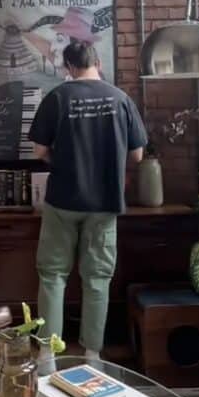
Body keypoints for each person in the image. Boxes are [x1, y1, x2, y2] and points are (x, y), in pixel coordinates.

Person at [28, 40, 147, 363]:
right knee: (97, 278)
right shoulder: (121, 99)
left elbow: (39, 151)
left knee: (53, 275)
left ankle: (46, 355)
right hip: (104, 202)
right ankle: (93, 353)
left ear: (68, 66)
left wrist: (63, 163)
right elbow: (137, 154)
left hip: (63, 199)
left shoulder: (57, 97)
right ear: (97, 63)